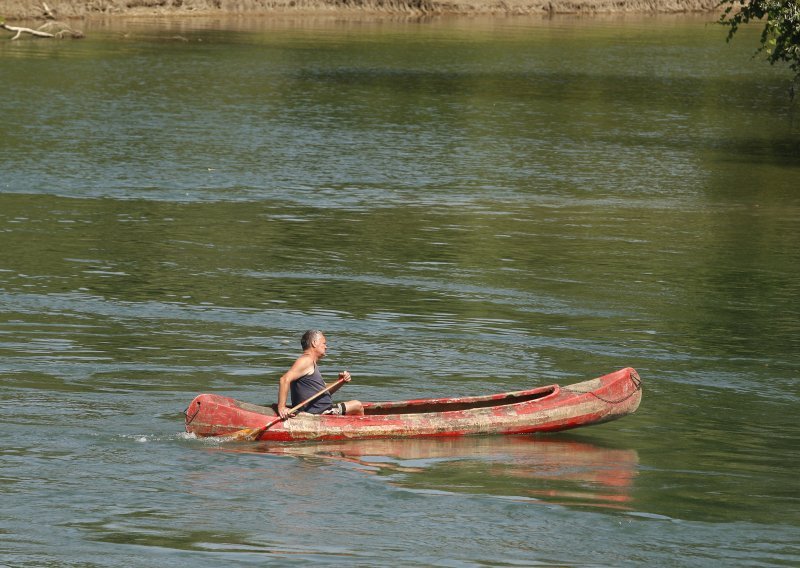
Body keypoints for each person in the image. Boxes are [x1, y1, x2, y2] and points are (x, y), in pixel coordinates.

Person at [277, 330, 364, 419]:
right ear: (314, 343)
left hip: (322, 410)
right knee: (358, 405)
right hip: (320, 413)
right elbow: (284, 380)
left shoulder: (310, 362)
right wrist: (282, 408)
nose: (326, 347)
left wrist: (340, 382)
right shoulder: (306, 360)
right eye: (324, 343)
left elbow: (323, 390)